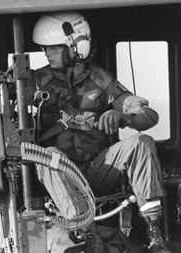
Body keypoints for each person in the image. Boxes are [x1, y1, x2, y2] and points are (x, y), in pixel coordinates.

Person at [31, 12, 171, 253]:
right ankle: (87, 232)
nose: (47, 53)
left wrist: (123, 117)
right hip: (59, 179)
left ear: (76, 46)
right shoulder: (36, 81)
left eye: (54, 48)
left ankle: (154, 234)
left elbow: (150, 116)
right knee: (49, 155)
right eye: (45, 49)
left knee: (142, 142)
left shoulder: (101, 80)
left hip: (96, 171)